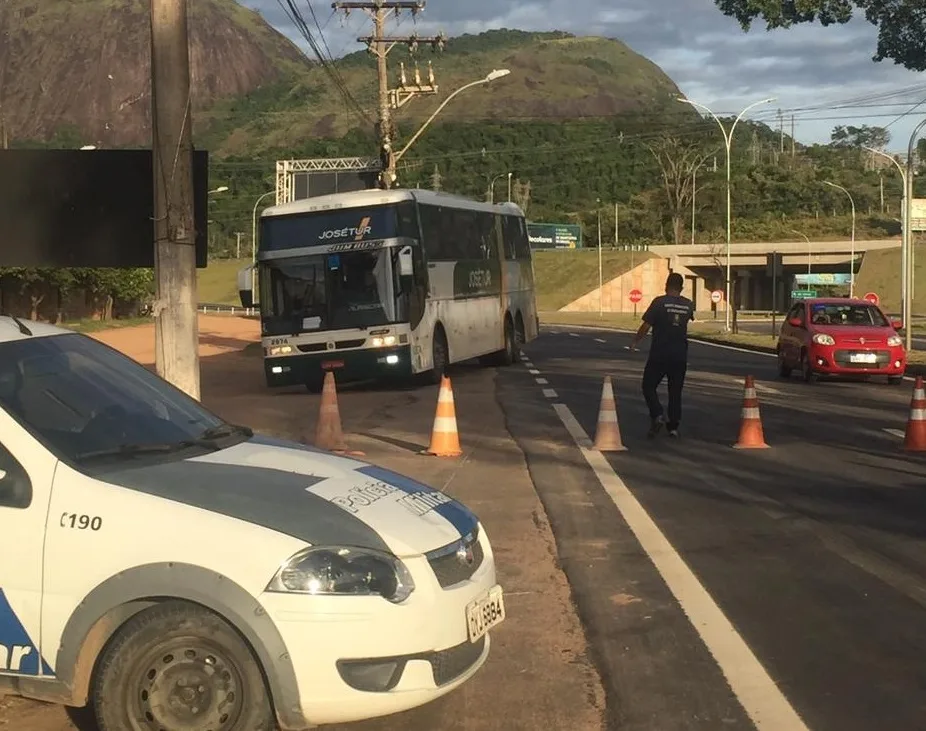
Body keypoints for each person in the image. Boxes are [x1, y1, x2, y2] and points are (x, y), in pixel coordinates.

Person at [627, 272, 695, 438]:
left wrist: (636, 341)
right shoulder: (688, 304)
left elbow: (646, 325)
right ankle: (673, 426)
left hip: (660, 353)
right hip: (680, 354)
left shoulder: (659, 303)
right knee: (675, 391)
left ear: (666, 285)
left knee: (648, 386)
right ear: (682, 287)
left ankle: (657, 414)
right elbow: (686, 320)